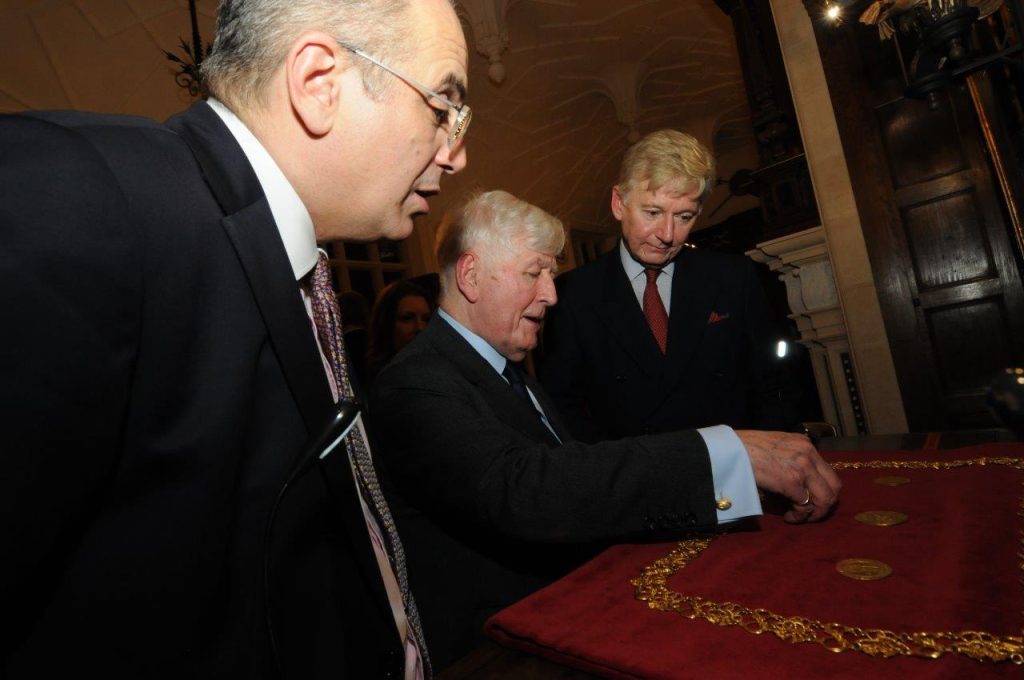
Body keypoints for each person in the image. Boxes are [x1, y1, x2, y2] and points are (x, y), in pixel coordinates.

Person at [0, 0, 469, 677]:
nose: (457, 154)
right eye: (444, 106)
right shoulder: (81, 192)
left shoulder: (286, 260)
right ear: (318, 83)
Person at [370, 190, 841, 670]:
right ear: (470, 275)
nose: (552, 294)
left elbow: (584, 481)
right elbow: (528, 490)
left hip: (574, 615)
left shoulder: (508, 372)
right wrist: (725, 452)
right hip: (500, 653)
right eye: (535, 273)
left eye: (552, 274)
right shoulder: (415, 382)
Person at [539, 129, 797, 443]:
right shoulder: (572, 295)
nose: (667, 234)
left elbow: (770, 385)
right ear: (619, 203)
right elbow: (563, 407)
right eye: (653, 212)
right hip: (635, 479)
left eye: (684, 216)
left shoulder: (732, 277)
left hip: (729, 472)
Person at [367, 280, 435, 382]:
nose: (420, 327)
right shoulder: (385, 382)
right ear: (386, 324)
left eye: (426, 319)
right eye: (407, 318)